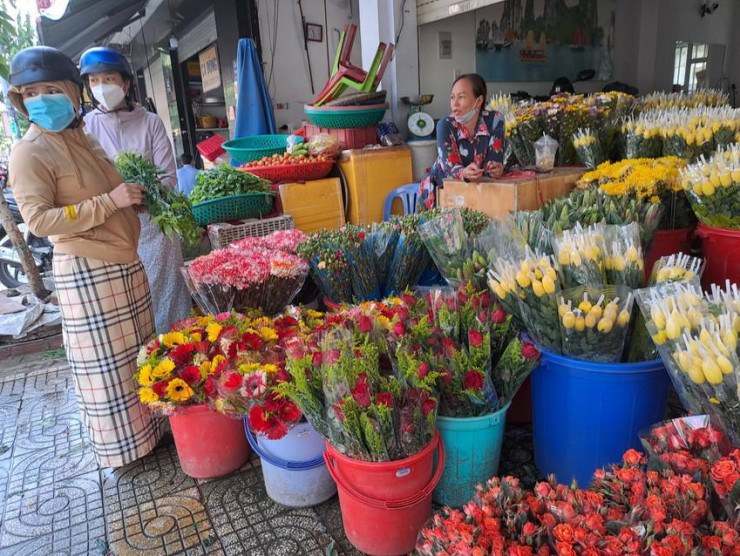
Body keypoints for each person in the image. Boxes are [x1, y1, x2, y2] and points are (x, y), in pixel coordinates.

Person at [7, 46, 164, 468]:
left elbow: (107, 193)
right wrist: (111, 202)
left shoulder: (83, 137)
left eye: (51, 90)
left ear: (72, 93)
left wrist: (133, 202)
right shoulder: (28, 152)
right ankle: (124, 452)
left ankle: (151, 433)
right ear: (19, 100)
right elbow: (40, 221)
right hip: (87, 268)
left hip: (122, 263)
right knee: (107, 367)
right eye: (31, 93)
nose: (41, 100)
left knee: (137, 355)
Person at [79, 46, 191, 334]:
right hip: (112, 226)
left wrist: (147, 196)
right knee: (125, 300)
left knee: (166, 295)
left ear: (126, 83)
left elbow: (168, 176)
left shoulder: (150, 122)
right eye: (94, 81)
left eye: (109, 79)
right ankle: (140, 355)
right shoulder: (85, 128)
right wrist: (112, 200)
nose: (101, 87)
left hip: (153, 224)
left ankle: (176, 348)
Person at [418, 73, 505, 210]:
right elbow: (450, 167)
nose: (455, 103)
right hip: (440, 193)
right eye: (452, 97)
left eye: (461, 97)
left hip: (477, 193)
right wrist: (464, 173)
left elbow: (493, 160)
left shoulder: (495, 120)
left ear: (479, 101)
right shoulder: (445, 125)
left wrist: (495, 169)